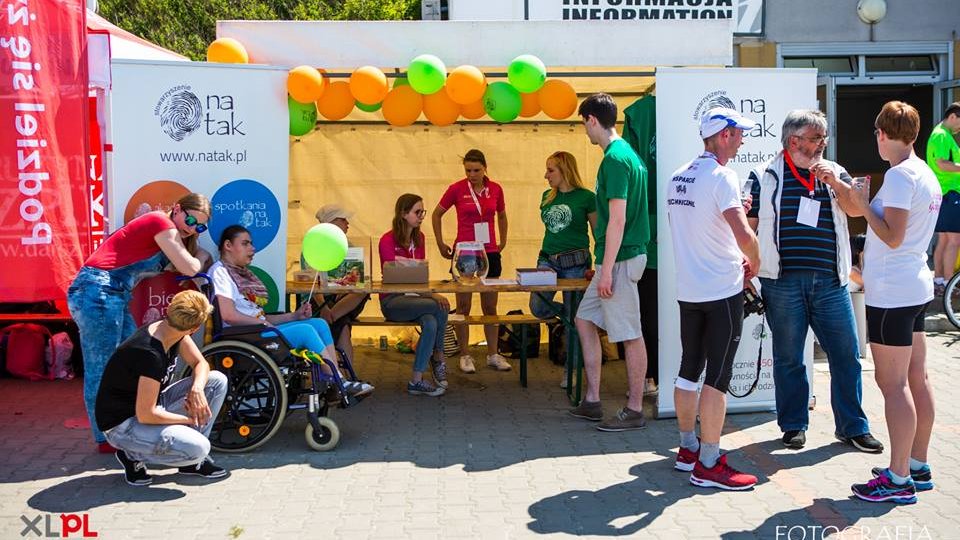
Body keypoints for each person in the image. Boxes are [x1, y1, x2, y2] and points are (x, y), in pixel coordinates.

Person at [746, 110, 883, 453]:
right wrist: (744, 269)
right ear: (794, 141)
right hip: (781, 282)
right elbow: (747, 226)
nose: (823, 144)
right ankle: (793, 425)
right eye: (816, 138)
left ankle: (853, 426)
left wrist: (836, 184)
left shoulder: (835, 171)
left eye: (824, 138)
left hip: (830, 282)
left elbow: (855, 211)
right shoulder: (763, 175)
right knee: (790, 356)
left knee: (847, 355)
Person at [67, 193, 211, 453]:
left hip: (112, 295)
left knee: (132, 361)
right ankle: (106, 438)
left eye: (200, 226)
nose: (192, 227)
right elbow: (189, 267)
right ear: (176, 209)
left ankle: (130, 424)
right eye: (190, 219)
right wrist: (201, 254)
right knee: (100, 368)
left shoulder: (167, 235)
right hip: (97, 292)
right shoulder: (160, 223)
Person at [848, 101, 941, 504]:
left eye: (877, 135)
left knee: (894, 384)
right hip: (912, 286)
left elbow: (893, 235)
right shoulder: (924, 172)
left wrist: (859, 206)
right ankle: (916, 465)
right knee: (916, 379)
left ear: (882, 135)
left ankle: (898, 478)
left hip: (893, 291)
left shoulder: (901, 176)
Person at [668, 107, 761, 490]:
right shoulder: (722, 176)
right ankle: (708, 463)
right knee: (718, 378)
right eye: (739, 133)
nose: (742, 140)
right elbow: (742, 234)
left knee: (690, 368)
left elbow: (700, 224)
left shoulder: (678, 176)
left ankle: (688, 449)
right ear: (723, 134)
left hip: (689, 288)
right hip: (722, 289)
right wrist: (755, 262)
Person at [567, 93, 651, 431]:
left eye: (583, 124)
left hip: (621, 257)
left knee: (630, 334)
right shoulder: (626, 154)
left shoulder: (615, 159)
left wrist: (606, 271)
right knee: (584, 319)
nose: (584, 132)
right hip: (617, 256)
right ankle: (592, 400)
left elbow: (616, 220)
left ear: (591, 119)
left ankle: (634, 409)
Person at [211, 225, 373, 397]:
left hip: (257, 330)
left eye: (251, 244)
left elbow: (261, 317)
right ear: (228, 245)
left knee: (319, 323)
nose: (252, 248)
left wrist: (295, 316)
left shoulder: (240, 275)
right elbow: (228, 315)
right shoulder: (221, 273)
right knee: (306, 331)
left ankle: (331, 381)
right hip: (244, 337)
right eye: (245, 244)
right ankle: (340, 382)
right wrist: (261, 322)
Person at [96, 290, 227, 485]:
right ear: (195, 328)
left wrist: (197, 389)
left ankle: (191, 463)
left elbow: (201, 364)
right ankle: (132, 455)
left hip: (151, 405)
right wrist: (189, 420)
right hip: (123, 425)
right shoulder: (150, 354)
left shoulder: (172, 329)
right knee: (199, 448)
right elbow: (146, 414)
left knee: (216, 380)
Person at [432, 149, 512, 373]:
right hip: (465, 252)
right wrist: (440, 242)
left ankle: (493, 354)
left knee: (490, 305)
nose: (472, 174)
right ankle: (465, 354)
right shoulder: (456, 189)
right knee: (464, 306)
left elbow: (502, 215)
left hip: (490, 251)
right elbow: (436, 214)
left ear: (485, 168)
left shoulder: (495, 188)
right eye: (468, 170)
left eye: (476, 170)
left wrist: (503, 240)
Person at [528, 151, 597, 387]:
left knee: (576, 323)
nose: (546, 175)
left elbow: (598, 233)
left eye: (551, 170)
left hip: (575, 262)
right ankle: (567, 315)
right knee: (537, 306)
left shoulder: (587, 198)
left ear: (565, 170)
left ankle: (571, 371)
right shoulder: (547, 196)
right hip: (547, 259)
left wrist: (598, 264)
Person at [380, 194, 450, 397]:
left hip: (417, 299)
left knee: (430, 322)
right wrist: (432, 294)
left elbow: (418, 274)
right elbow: (394, 276)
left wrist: (426, 291)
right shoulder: (387, 240)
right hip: (393, 300)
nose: (421, 217)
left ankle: (416, 380)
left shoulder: (420, 239)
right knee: (438, 305)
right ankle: (438, 356)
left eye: (422, 212)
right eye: (417, 212)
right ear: (403, 214)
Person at [306, 204, 370, 362]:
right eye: (343, 219)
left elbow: (358, 279)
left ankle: (331, 317)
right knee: (343, 325)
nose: (348, 223)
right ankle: (347, 377)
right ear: (331, 222)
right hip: (321, 302)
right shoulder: (313, 245)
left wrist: (329, 311)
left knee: (362, 291)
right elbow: (311, 286)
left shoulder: (350, 245)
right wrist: (324, 307)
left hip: (342, 300)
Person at [926, 102, 960, 295]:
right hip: (949, 193)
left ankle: (940, 280)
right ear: (953, 116)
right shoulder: (941, 135)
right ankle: (948, 283)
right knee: (954, 240)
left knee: (945, 239)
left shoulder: (941, 134)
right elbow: (941, 163)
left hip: (945, 193)